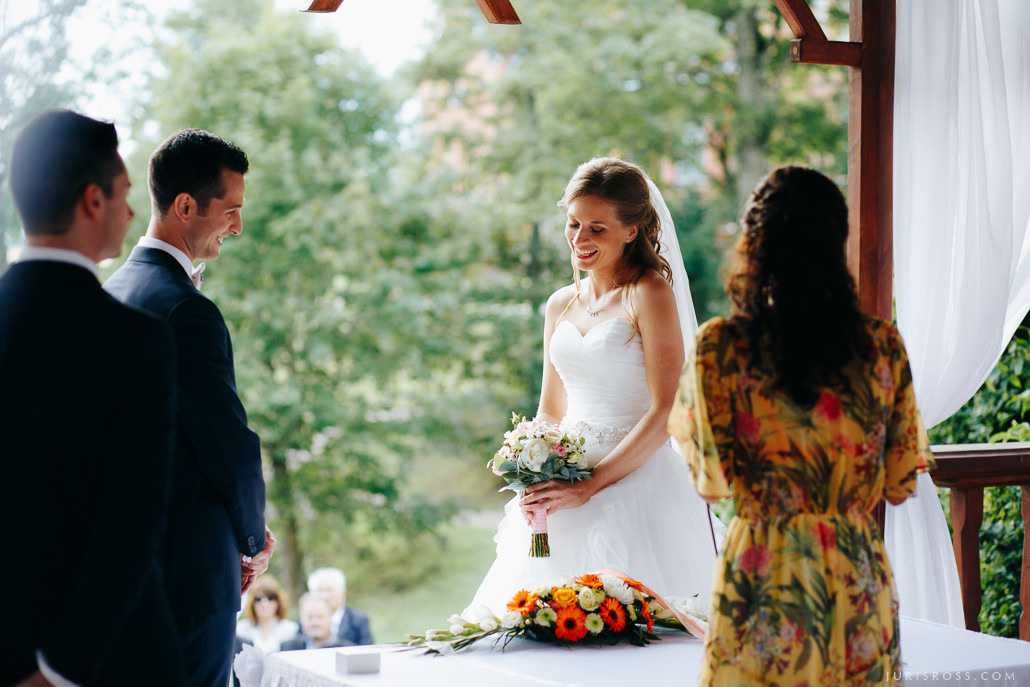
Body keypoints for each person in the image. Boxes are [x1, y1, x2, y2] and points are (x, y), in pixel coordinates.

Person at [668, 166, 933, 685]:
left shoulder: (721, 348)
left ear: (754, 246)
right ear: (838, 241)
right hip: (853, 575)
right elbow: (901, 484)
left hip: (764, 572)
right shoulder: (881, 348)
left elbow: (709, 482)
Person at [469, 157, 720, 616]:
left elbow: (667, 411)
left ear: (631, 230)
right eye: (573, 224)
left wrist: (592, 486)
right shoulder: (560, 304)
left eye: (597, 229)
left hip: (636, 481)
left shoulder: (649, 293)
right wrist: (534, 467)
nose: (580, 240)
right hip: (566, 482)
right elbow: (550, 409)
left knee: (634, 623)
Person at [2, 110, 184, 686]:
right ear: (92, 201)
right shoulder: (136, 340)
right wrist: (58, 671)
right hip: (115, 658)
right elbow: (131, 524)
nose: (132, 213)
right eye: (125, 194)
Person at [103, 129, 274, 687]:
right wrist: (254, 542)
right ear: (185, 207)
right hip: (189, 577)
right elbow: (229, 446)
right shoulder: (187, 312)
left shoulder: (110, 294)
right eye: (231, 210)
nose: (237, 227)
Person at [307, 567, 374, 646]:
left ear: (342, 593)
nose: (325, 595)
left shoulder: (358, 620)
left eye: (329, 589)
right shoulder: (305, 621)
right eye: (320, 590)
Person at [236, 577, 299, 654]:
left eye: (270, 598)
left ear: (278, 602)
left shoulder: (290, 629)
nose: (264, 604)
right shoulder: (241, 629)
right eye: (258, 599)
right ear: (252, 604)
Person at [279, 594, 350, 651]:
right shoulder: (288, 649)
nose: (315, 623)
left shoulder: (346, 650)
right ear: (301, 619)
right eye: (309, 617)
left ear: (330, 617)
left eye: (320, 617)